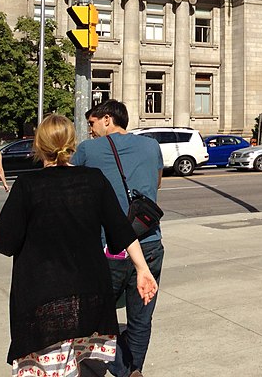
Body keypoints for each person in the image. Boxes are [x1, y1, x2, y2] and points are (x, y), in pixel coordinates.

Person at [0, 114, 158, 377]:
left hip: (42, 302)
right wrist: (142, 269)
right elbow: (122, 230)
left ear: (38, 145)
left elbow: (3, 243)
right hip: (90, 302)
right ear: (72, 143)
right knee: (86, 367)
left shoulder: (27, 186)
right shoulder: (93, 179)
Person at [71, 100, 164, 377]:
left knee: (97, 315)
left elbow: (75, 190)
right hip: (149, 243)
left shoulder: (88, 150)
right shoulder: (151, 146)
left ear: (107, 119)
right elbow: (156, 183)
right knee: (141, 317)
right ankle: (135, 369)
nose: (91, 130)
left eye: (92, 123)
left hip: (107, 246)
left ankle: (122, 368)